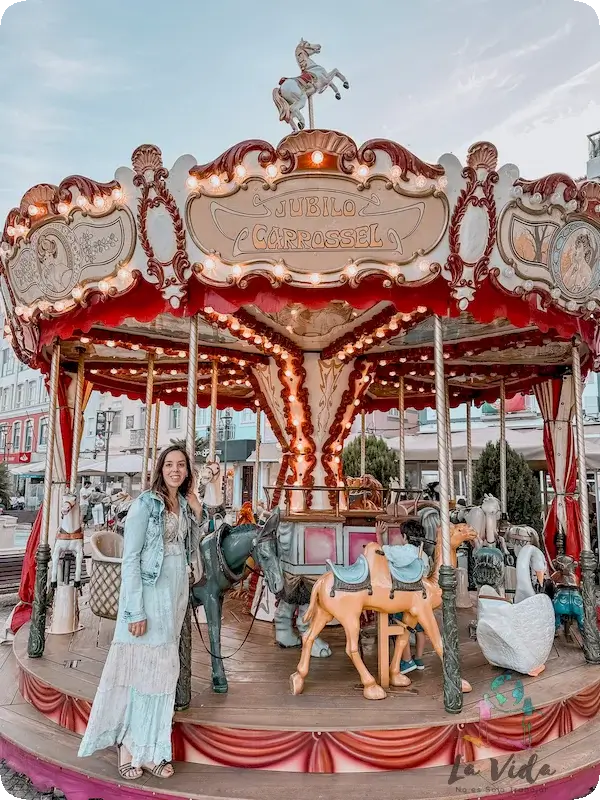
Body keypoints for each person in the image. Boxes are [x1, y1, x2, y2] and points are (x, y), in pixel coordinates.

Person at [78, 445, 203, 780]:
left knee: (163, 673)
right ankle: (130, 746)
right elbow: (130, 559)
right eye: (170, 465)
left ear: (188, 471)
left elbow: (192, 547)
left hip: (175, 595)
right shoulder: (144, 504)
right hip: (149, 594)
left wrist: (198, 509)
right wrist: (133, 611)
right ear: (160, 469)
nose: (175, 470)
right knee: (141, 672)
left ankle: (154, 749)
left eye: (181, 465)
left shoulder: (185, 505)